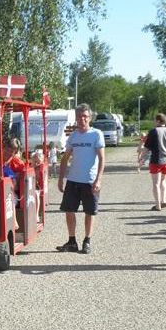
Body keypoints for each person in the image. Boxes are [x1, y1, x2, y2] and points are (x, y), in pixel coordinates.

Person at [56, 103, 105, 254]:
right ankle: (72, 241)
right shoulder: (73, 136)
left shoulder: (96, 134)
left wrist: (98, 179)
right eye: (79, 116)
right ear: (76, 118)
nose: (82, 119)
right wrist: (61, 178)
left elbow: (102, 158)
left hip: (89, 180)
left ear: (89, 118)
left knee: (89, 212)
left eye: (85, 116)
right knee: (69, 211)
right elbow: (65, 158)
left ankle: (87, 241)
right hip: (73, 180)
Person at [139, 113, 166, 211]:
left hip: (156, 161)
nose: (153, 122)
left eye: (154, 120)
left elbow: (147, 148)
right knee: (163, 181)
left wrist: (141, 158)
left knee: (156, 183)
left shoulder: (153, 131)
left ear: (158, 121)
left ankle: (158, 205)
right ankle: (163, 200)